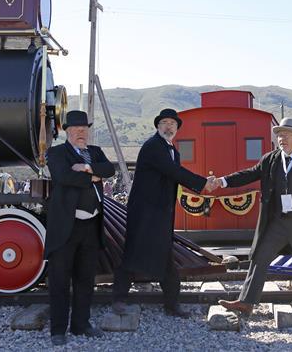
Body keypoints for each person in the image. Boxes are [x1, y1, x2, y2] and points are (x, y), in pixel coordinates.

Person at [206, 117, 292, 329]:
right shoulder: (270, 159)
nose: (281, 138)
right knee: (259, 257)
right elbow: (248, 174)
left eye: (285, 134)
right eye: (278, 135)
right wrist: (222, 181)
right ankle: (246, 303)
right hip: (277, 222)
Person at [112, 108, 208, 318]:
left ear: (177, 128)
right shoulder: (153, 146)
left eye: (172, 123)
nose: (168, 126)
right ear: (157, 126)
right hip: (145, 212)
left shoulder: (172, 149)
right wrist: (203, 184)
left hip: (161, 213)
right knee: (133, 253)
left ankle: (171, 305)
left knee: (166, 258)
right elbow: (174, 172)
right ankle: (119, 299)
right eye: (164, 122)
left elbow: (172, 178)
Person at [44, 110, 115, 346]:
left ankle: (81, 324)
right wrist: (94, 175)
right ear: (67, 131)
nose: (81, 132)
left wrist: (86, 169)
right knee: (60, 280)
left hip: (91, 225)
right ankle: (57, 330)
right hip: (66, 227)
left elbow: (109, 170)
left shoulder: (93, 153)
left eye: (85, 128)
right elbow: (64, 177)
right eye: (76, 128)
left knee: (86, 279)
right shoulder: (56, 153)